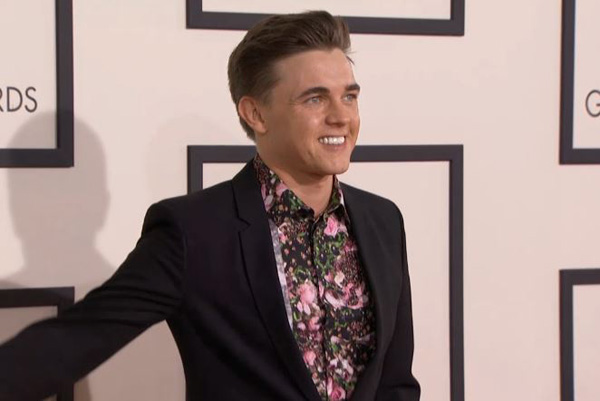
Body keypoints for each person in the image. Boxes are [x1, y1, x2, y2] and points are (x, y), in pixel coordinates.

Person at [0, 10, 420, 401]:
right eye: (315, 99)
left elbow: (396, 382)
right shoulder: (193, 232)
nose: (341, 117)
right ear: (255, 113)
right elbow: (72, 342)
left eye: (349, 96)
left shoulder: (382, 221)